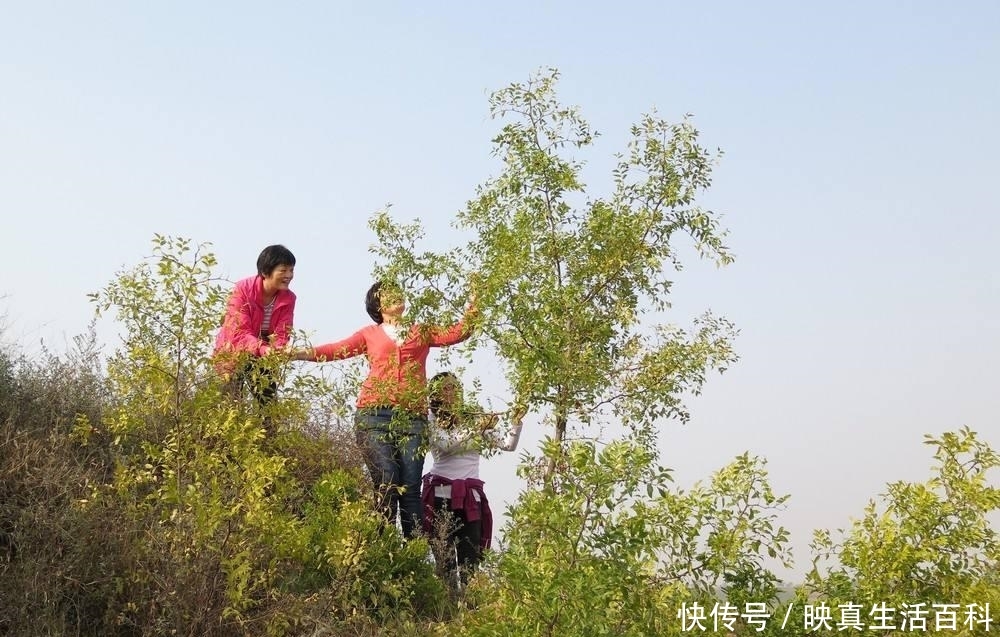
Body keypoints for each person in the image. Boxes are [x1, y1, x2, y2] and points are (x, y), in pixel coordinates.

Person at [293, 281, 476, 538]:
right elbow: (337, 350)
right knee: (387, 482)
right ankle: (383, 549)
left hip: (412, 419)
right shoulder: (369, 334)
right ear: (378, 305)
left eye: (397, 290)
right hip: (373, 416)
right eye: (387, 293)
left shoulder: (420, 331)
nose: (396, 295)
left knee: (410, 488)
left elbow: (459, 332)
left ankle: (413, 557)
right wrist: (298, 353)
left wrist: (474, 300)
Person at [421, 371, 523, 590]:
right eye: (446, 388)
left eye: (455, 387)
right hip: (441, 499)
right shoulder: (430, 419)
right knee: (445, 564)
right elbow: (446, 444)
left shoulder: (473, 416)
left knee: (470, 564)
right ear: (436, 394)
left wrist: (516, 423)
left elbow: (507, 445)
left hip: (470, 499)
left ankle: (470, 615)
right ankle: (446, 614)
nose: (452, 392)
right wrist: (478, 427)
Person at [213, 245, 297, 414]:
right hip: (233, 351)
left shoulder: (289, 298)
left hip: (264, 355)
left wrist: (278, 350)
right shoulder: (242, 289)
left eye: (291, 270)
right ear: (266, 272)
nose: (289, 275)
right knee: (229, 405)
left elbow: (283, 332)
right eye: (283, 270)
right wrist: (263, 348)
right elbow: (239, 331)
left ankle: (268, 438)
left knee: (268, 405)